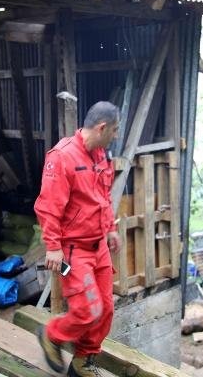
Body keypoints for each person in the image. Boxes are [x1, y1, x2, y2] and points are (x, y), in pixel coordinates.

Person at [34, 101, 122, 377]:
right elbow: (48, 205)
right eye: (115, 130)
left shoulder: (100, 155)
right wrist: (53, 247)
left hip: (99, 248)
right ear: (102, 127)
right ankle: (51, 334)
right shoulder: (62, 157)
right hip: (73, 252)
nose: (116, 136)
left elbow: (103, 196)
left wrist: (110, 228)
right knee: (88, 310)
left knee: (106, 308)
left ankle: (83, 359)